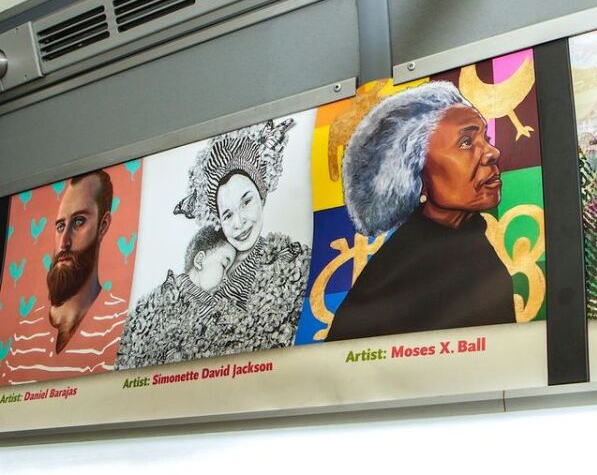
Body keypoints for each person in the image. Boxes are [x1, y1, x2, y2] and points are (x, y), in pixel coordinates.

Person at [325, 81, 516, 341]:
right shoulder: (401, 273)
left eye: (486, 138)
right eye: (466, 142)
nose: (492, 153)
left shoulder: (468, 243)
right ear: (416, 173)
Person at [116, 118, 311, 368]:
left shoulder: (292, 263)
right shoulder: (185, 280)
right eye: (227, 214)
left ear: (262, 196)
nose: (239, 222)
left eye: (247, 202)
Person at [1, 171, 125, 385]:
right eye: (60, 226)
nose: (64, 242)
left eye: (78, 222)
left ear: (103, 226)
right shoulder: (25, 332)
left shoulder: (121, 323)